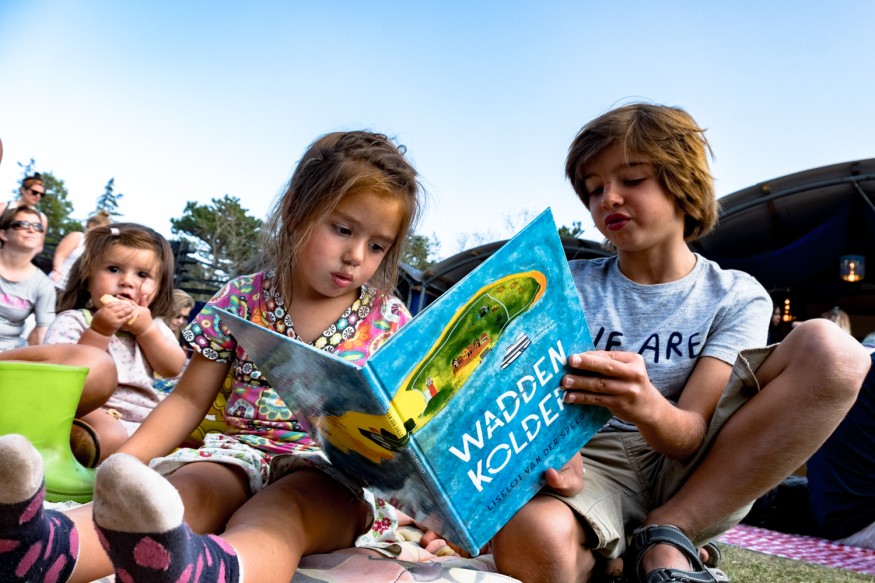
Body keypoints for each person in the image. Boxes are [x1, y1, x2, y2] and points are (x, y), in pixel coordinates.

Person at [0, 130, 423, 583]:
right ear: (298, 212)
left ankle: (209, 572)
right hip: (238, 454)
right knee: (181, 492)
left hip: (330, 479)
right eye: (342, 229)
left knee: (283, 512)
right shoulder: (243, 298)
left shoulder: (389, 322)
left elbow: (406, 428)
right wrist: (122, 465)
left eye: (377, 245)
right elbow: (186, 400)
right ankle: (45, 549)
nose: (356, 256)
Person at [489, 103, 871, 583]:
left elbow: (687, 436)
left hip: (699, 468)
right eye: (594, 188)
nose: (608, 198)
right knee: (531, 536)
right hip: (593, 466)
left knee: (833, 350)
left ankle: (671, 530)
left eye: (631, 179)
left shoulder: (734, 295)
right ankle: (620, 557)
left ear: (682, 183)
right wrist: (552, 455)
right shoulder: (564, 285)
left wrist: (645, 403)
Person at [0, 205, 56, 349]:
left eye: (38, 227)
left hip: (8, 355)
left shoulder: (43, 285)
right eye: (22, 224)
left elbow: (44, 332)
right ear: (4, 234)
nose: (31, 230)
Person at [50, 210, 112, 289]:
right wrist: (57, 271)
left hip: (75, 290)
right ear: (91, 225)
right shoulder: (78, 237)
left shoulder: (99, 249)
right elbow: (60, 255)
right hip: (58, 282)